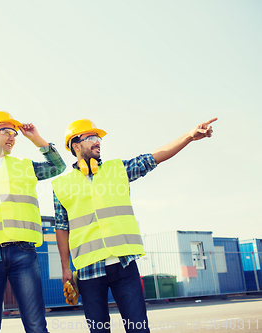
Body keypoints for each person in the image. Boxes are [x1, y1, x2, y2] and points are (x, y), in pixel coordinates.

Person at [52, 117, 217, 333]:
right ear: (75, 145)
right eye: (91, 137)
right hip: (88, 270)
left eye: (99, 138)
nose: (98, 142)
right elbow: (61, 228)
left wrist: (189, 136)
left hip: (124, 264)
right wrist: (66, 268)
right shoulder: (61, 185)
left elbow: (154, 157)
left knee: (138, 328)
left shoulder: (118, 169)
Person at [0, 111, 66, 333]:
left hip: (23, 252)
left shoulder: (25, 165)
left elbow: (58, 167)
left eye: (14, 133)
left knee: (36, 325)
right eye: (6, 131)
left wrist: (35, 138)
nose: (12, 137)